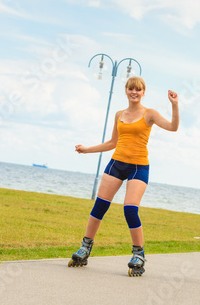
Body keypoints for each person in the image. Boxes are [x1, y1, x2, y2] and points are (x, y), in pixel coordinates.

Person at [70, 76, 179, 276]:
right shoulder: (119, 114)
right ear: (126, 91)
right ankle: (85, 248)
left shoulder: (150, 114)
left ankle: (139, 253)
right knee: (99, 206)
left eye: (138, 89)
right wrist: (87, 149)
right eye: (131, 89)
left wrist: (174, 105)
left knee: (130, 209)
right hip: (117, 164)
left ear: (143, 92)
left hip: (139, 167)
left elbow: (173, 127)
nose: (134, 92)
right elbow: (112, 142)